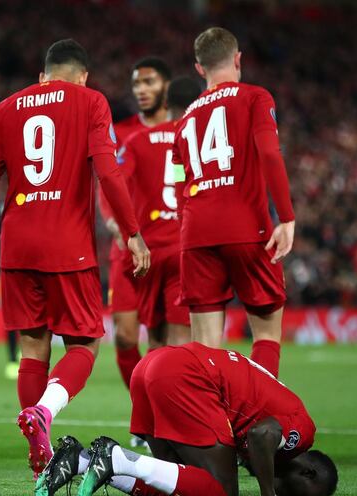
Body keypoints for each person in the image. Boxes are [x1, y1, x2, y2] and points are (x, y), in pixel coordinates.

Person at [0, 38, 150, 478]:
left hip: (17, 245)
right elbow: (108, 171)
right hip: (68, 244)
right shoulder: (90, 101)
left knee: (32, 347)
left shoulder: (4, 109)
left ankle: (40, 457)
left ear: (42, 75)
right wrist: (133, 233)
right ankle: (44, 413)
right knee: (85, 343)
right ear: (83, 76)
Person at [36, 343, 337, 496]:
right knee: (224, 492)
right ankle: (114, 458)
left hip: (155, 365)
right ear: (309, 472)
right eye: (298, 494)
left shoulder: (283, 429)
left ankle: (81, 461)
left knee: (182, 484)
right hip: (187, 375)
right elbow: (262, 434)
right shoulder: (304, 431)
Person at [172, 27, 295, 378]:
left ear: (199, 68)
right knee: (267, 332)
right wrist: (285, 217)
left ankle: (212, 428)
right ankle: (258, 420)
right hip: (246, 227)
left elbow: (181, 188)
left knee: (206, 349)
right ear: (238, 59)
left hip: (195, 235)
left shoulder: (183, 123)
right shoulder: (255, 97)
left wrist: (188, 231)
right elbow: (270, 154)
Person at [117, 77, 202, 359]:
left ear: (167, 103)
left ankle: (151, 401)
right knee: (183, 340)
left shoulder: (137, 140)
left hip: (151, 251)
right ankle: (184, 399)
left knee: (154, 342)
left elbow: (115, 182)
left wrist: (126, 229)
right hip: (186, 247)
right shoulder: (202, 139)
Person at [104, 57, 172, 390]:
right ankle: (142, 416)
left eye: (149, 82)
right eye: (136, 84)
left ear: (167, 87)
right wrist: (115, 224)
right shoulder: (121, 132)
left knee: (162, 341)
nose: (141, 90)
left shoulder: (184, 129)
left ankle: (159, 419)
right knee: (125, 336)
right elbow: (106, 181)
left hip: (166, 247)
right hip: (128, 247)